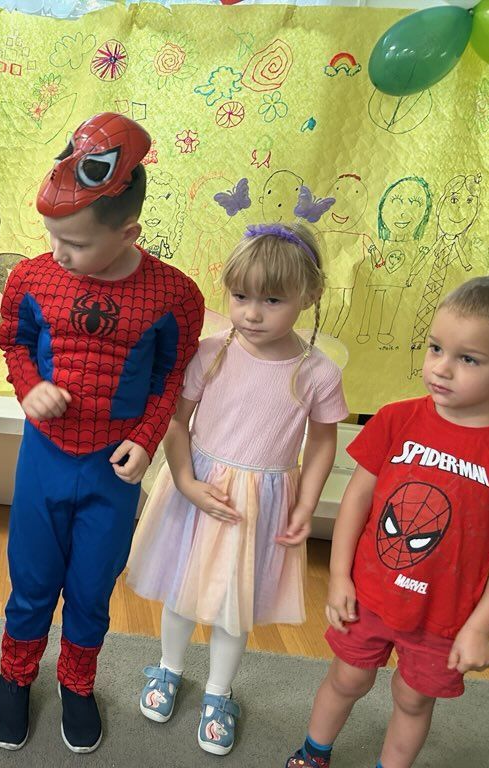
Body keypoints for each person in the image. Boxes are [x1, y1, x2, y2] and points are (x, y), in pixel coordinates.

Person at [0, 113, 205, 753]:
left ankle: (77, 682)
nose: (59, 252)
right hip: (44, 459)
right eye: (52, 236)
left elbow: (170, 375)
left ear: (128, 232)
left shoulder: (174, 296)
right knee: (31, 580)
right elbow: (14, 341)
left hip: (113, 469)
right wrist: (29, 387)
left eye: (76, 243)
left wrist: (148, 436)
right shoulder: (32, 278)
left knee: (91, 587)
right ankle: (15, 675)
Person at [127, 222, 347, 755]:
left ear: (309, 295)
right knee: (180, 587)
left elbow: (322, 442)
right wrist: (185, 481)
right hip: (198, 488)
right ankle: (168, 668)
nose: (251, 313)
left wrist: (308, 503)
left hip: (260, 504)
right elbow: (175, 421)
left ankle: (219, 692)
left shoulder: (317, 372)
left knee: (234, 603)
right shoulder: (211, 352)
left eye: (272, 300)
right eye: (241, 296)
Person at [287, 277, 489, 768]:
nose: (441, 367)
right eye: (435, 348)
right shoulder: (397, 418)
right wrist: (338, 576)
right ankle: (314, 752)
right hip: (371, 594)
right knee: (347, 678)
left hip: (446, 617)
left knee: (413, 699)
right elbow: (356, 501)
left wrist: (481, 628)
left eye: (468, 359)